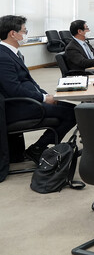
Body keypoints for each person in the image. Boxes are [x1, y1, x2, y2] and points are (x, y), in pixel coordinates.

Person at [0, 15, 76, 164]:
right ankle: (37, 148)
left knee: (71, 108)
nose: (26, 34)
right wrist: (43, 98)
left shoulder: (13, 53)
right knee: (72, 113)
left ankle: (38, 148)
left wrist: (45, 95)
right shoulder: (3, 57)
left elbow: (29, 81)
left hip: (28, 101)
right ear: (13, 34)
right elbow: (14, 89)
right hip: (18, 107)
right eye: (24, 31)